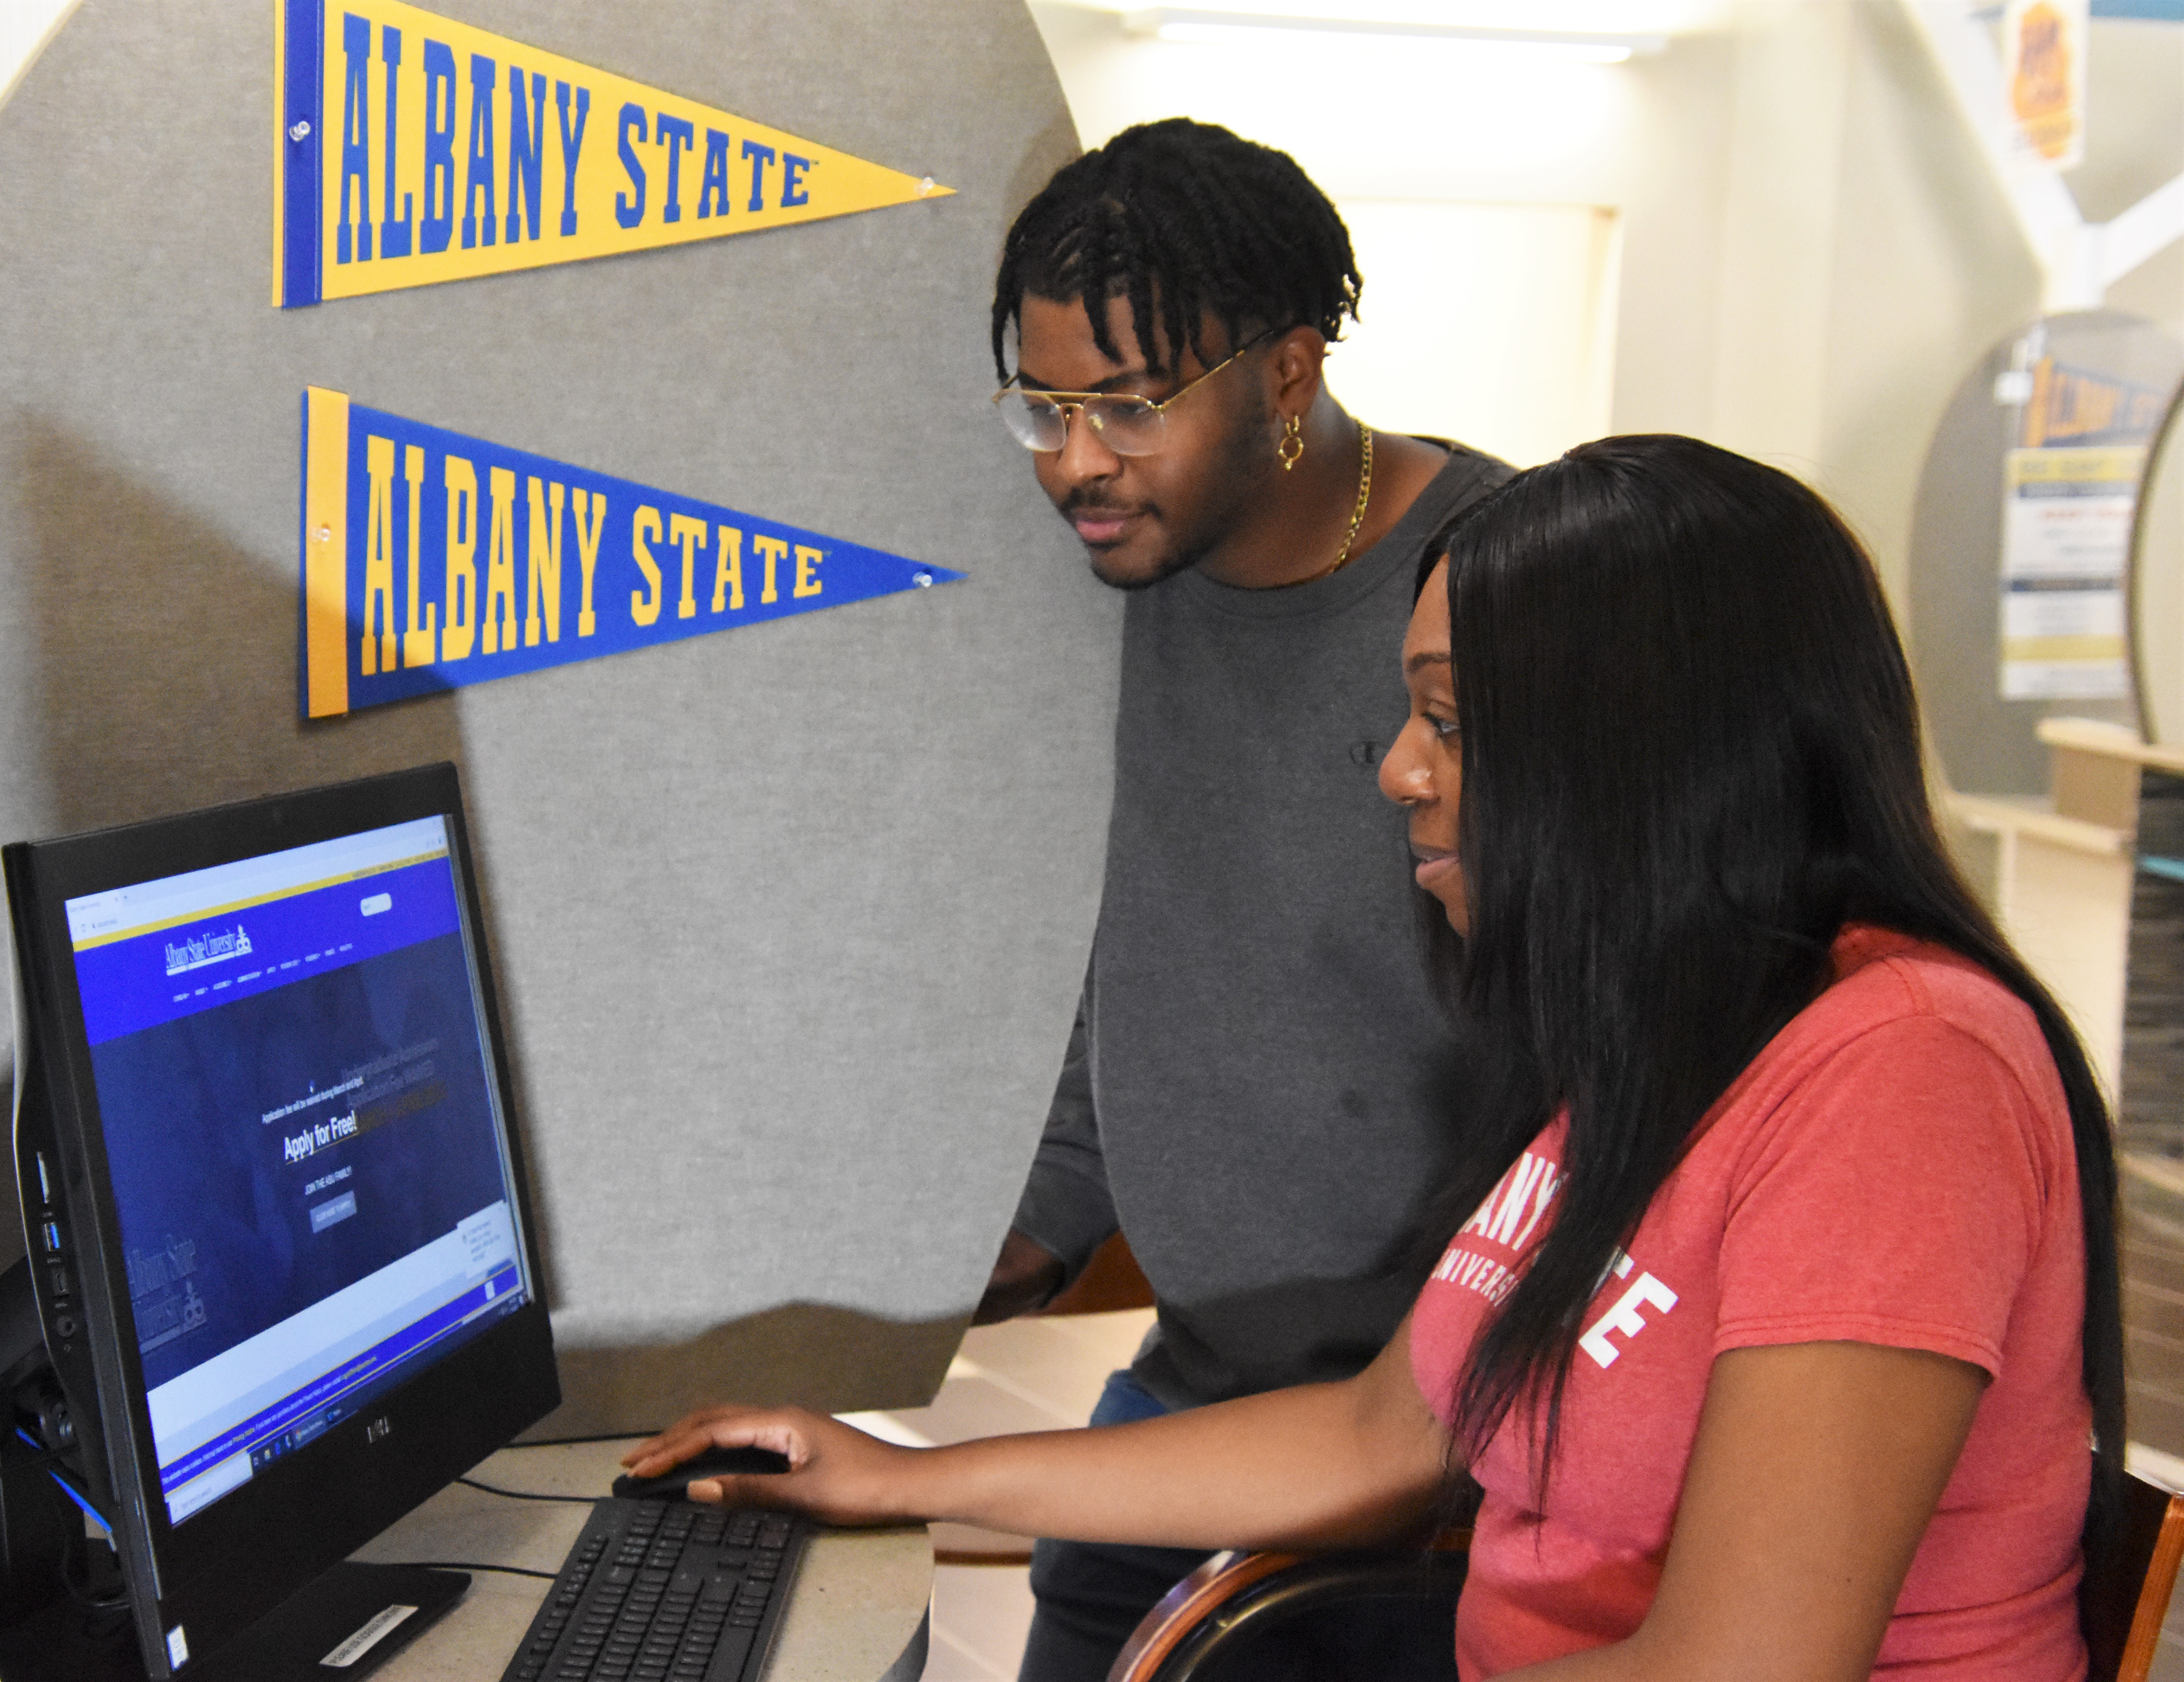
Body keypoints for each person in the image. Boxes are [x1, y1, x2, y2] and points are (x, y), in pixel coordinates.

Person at [628, 435, 2125, 1680]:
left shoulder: (1903, 1071)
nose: (1402, 772)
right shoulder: (1662, 1059)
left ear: (1639, 760)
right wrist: (892, 1473)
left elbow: (1740, 1666)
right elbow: (1375, 1434)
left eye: (1449, 723)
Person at [973, 118, 1512, 1675]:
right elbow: (1135, 940)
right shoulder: (1124, 586)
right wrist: (1041, 1221)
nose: (1078, 461)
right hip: (1200, 1373)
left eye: (1130, 407)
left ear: (1287, 373)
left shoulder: (1500, 584)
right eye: (1046, 406)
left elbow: (1615, 1018)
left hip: (1447, 1426)